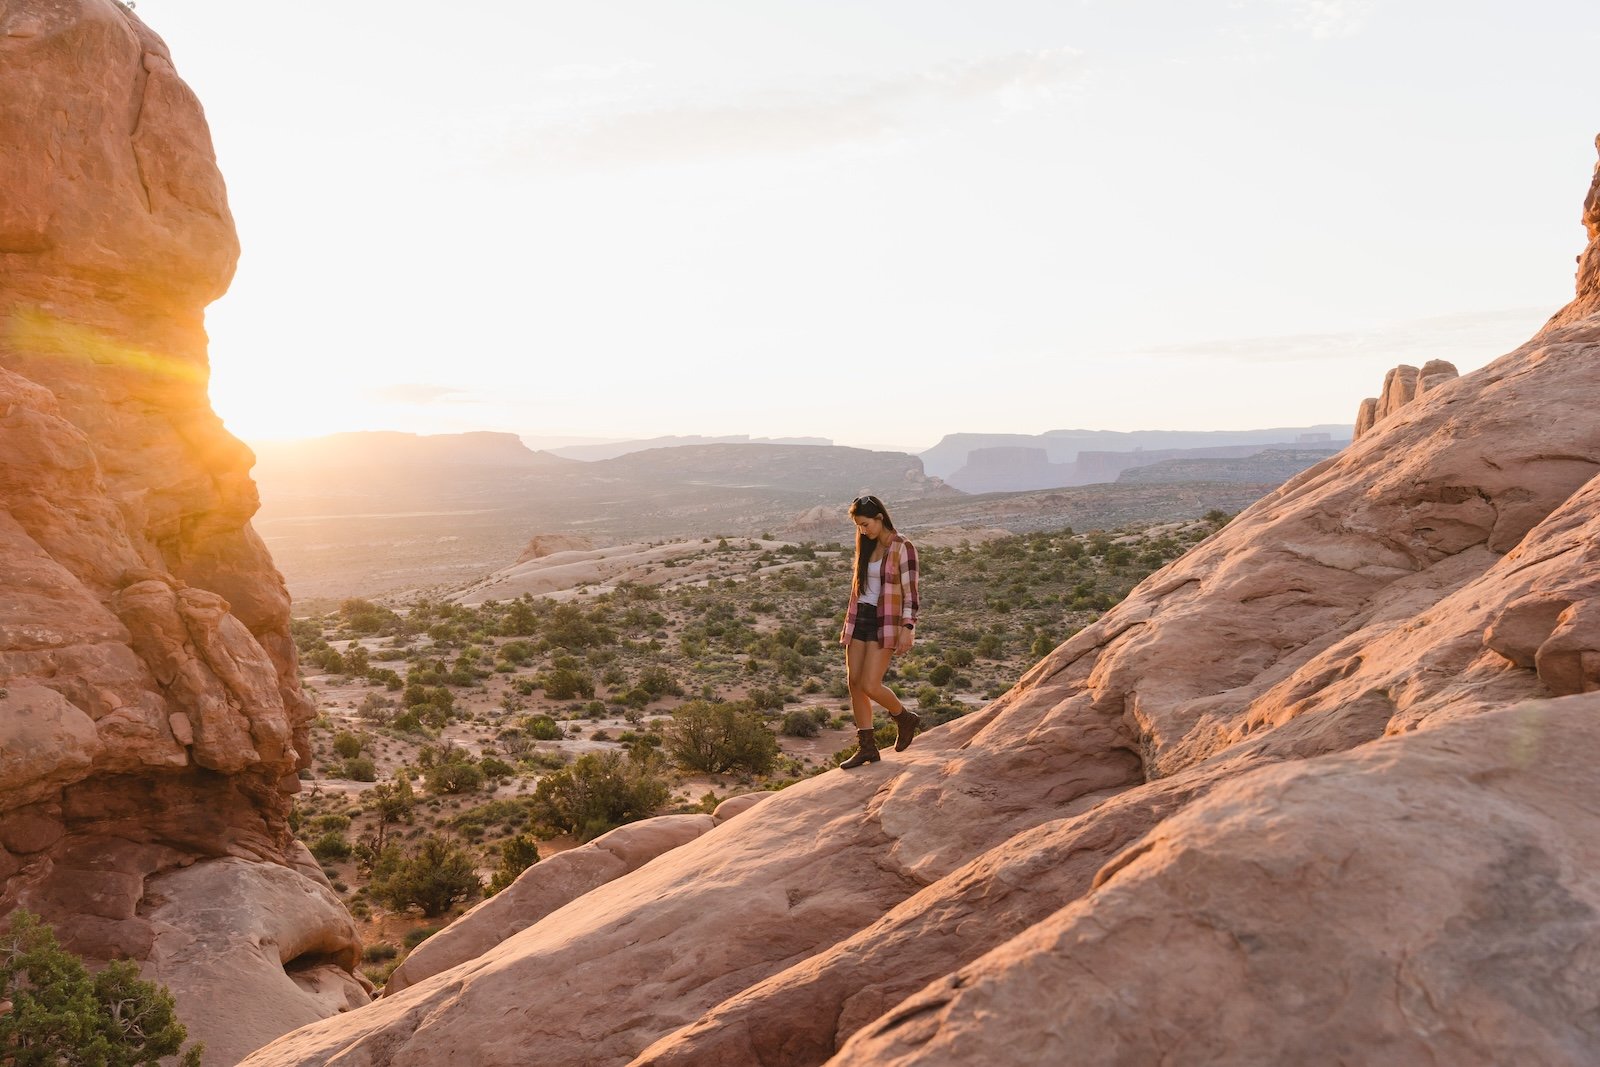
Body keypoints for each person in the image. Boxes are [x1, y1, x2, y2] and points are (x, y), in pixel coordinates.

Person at [838, 494, 920, 768]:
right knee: (854, 683)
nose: (863, 530)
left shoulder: (902, 547)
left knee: (870, 685)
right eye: (859, 526)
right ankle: (867, 748)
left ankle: (904, 717)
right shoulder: (866, 544)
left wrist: (908, 627)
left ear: (880, 518)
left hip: (885, 620)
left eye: (866, 524)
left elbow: (911, 593)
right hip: (859, 616)